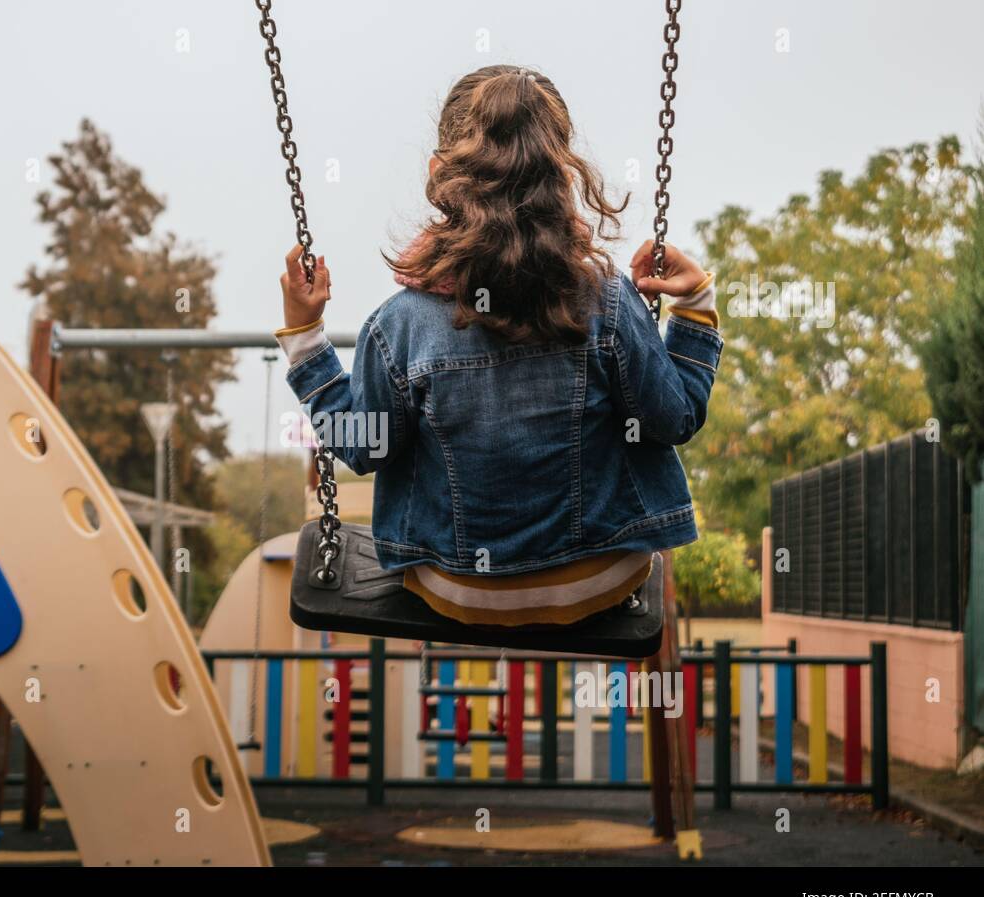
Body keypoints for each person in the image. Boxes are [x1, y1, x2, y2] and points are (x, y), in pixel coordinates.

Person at [272, 65, 721, 628]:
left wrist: (305, 335)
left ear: (438, 175)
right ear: (560, 173)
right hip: (603, 574)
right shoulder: (606, 301)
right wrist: (696, 305)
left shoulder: (400, 325)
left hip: (455, 585)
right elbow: (674, 419)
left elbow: (363, 449)